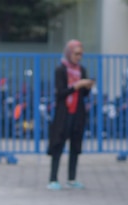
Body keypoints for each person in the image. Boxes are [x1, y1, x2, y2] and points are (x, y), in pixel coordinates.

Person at [47, 39, 94, 190]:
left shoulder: (82, 70)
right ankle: (53, 178)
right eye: (76, 54)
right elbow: (60, 93)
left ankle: (72, 178)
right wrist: (76, 86)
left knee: (75, 146)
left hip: (78, 113)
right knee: (58, 145)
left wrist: (87, 86)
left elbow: (85, 94)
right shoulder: (61, 70)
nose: (78, 57)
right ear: (69, 53)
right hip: (63, 113)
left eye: (81, 54)